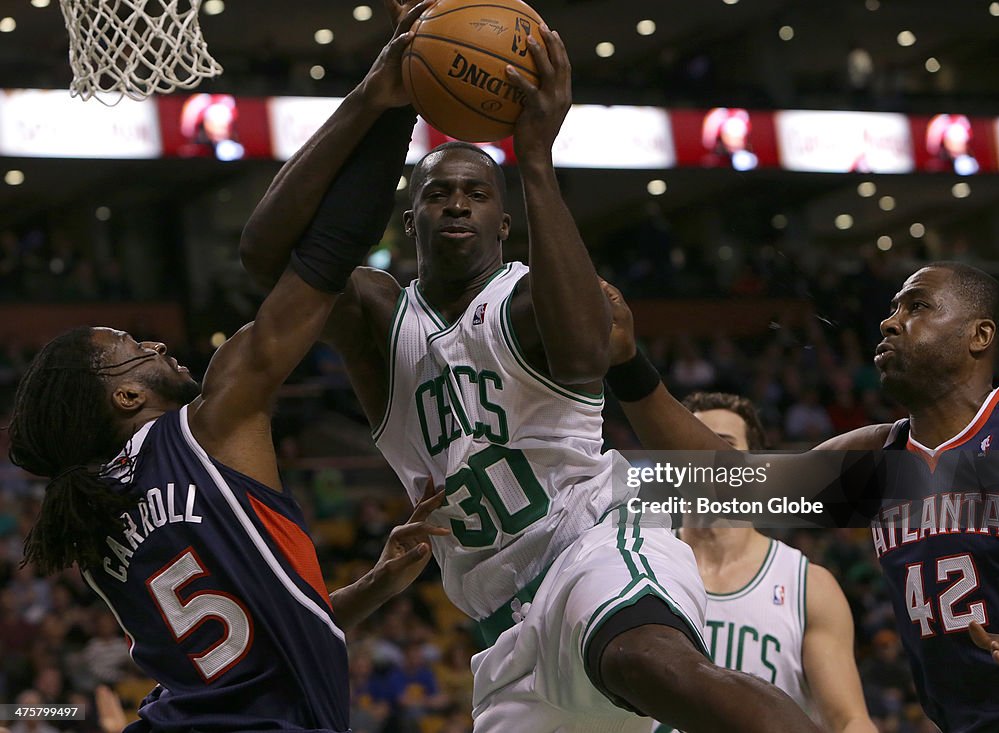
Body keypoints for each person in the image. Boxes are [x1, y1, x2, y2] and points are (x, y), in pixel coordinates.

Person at [240, 7, 821, 733]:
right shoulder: (377, 315)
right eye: (437, 192)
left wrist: (534, 157)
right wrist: (379, 98)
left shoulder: (525, 297)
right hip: (501, 622)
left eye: (477, 192)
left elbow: (584, 358)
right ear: (410, 218)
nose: (456, 201)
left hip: (596, 542)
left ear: (504, 222)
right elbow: (268, 258)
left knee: (651, 662)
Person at [6, 5, 448, 731]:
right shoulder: (211, 421)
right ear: (122, 392)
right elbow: (328, 254)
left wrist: (372, 584)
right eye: (132, 347)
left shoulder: (96, 523)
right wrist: (385, 99)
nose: (156, 346)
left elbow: (239, 656)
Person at [600, 263, 999, 733]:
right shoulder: (882, 460)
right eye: (893, 307)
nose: (890, 321)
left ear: (979, 335)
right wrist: (627, 364)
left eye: (917, 306)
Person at [651, 392, 875, 733]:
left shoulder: (807, 585)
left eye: (722, 445)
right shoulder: (639, 568)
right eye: (689, 444)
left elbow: (849, 720)